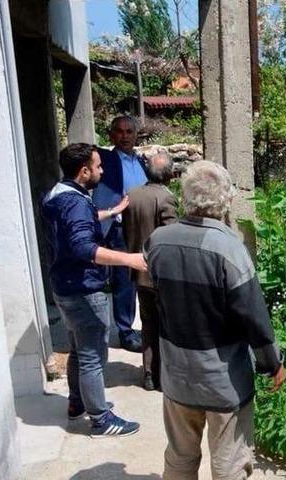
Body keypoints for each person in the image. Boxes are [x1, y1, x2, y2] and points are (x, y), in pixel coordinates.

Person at [145, 161, 286, 480]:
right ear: (226, 200)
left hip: (176, 373)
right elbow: (254, 316)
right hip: (222, 380)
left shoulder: (158, 241)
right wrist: (273, 363)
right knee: (229, 464)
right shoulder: (228, 250)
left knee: (180, 455)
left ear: (186, 197)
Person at [42, 143, 144, 438]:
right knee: (93, 355)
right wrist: (129, 259)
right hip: (84, 289)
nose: (102, 170)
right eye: (98, 166)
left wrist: (112, 211)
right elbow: (84, 246)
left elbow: (77, 223)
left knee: (77, 349)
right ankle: (101, 419)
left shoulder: (58, 194)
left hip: (64, 285)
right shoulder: (75, 203)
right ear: (84, 171)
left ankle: (77, 403)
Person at [122, 152, 178, 391]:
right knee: (167, 326)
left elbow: (126, 231)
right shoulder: (166, 198)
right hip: (161, 274)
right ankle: (164, 376)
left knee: (148, 324)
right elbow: (171, 238)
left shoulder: (132, 195)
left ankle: (148, 374)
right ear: (170, 175)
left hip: (138, 270)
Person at [92, 116, 147, 353]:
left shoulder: (141, 161)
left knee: (146, 275)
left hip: (142, 225)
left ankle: (147, 324)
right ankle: (126, 331)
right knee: (125, 281)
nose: (125, 136)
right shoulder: (106, 160)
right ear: (111, 135)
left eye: (129, 132)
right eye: (119, 132)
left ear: (136, 135)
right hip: (119, 227)